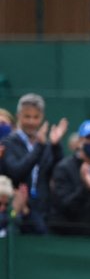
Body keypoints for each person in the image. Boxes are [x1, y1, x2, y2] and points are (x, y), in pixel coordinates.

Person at [1, 93, 69, 234]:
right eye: (27, 116)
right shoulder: (9, 142)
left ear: (42, 117)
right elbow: (16, 171)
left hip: (43, 209)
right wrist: (40, 147)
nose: (31, 122)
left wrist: (55, 146)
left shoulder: (46, 145)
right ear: (19, 116)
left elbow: (57, 172)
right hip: (16, 209)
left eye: (36, 117)